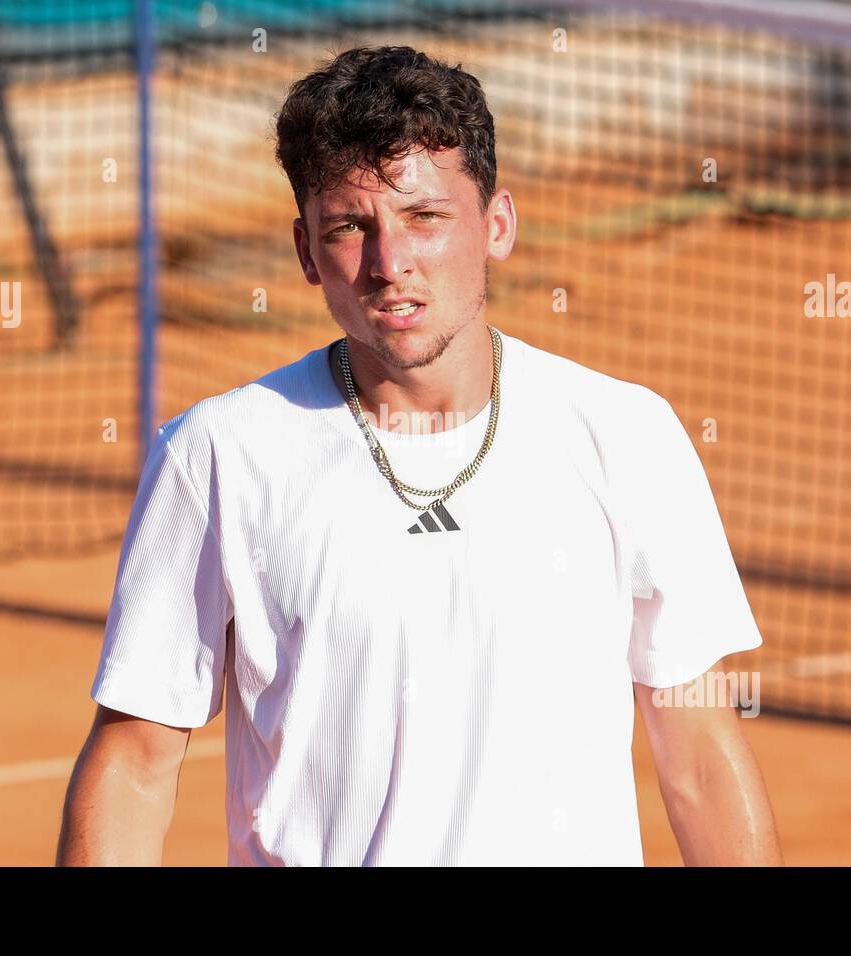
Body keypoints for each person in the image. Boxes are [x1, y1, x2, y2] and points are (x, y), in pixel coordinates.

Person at [56, 45, 782, 866]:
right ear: (305, 250)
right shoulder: (218, 454)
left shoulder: (627, 434)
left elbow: (698, 762)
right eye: (349, 226)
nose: (388, 262)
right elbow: (136, 764)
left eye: (425, 217)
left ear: (496, 224)